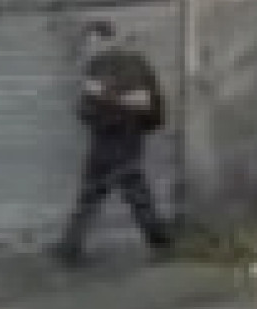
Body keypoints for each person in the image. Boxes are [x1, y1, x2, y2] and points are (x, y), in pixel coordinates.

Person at [56, 21, 173, 267]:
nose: (89, 48)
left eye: (93, 42)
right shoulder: (98, 67)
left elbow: (144, 102)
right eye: (88, 44)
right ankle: (70, 246)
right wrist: (89, 107)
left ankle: (70, 247)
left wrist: (104, 96)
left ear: (107, 40)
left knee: (112, 194)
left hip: (122, 139)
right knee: (115, 193)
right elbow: (87, 109)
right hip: (107, 140)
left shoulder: (131, 65)